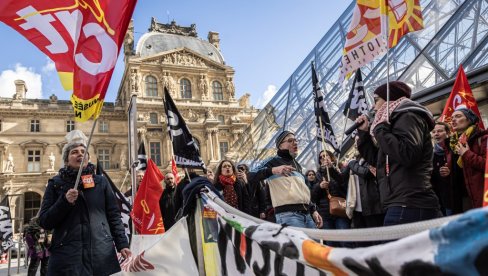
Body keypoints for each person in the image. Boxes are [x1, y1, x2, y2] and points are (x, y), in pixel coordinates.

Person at [39, 130, 131, 275]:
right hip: (67, 255)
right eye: (74, 152)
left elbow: (113, 216)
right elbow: (44, 221)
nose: (80, 154)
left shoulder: (100, 182)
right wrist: (64, 201)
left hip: (100, 253)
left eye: (83, 151)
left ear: (88, 157)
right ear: (66, 159)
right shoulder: (56, 183)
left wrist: (122, 244)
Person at [355, 81, 440, 226]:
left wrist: (380, 129)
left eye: (376, 100)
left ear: (390, 99)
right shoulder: (392, 122)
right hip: (401, 201)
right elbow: (378, 161)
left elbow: (407, 154)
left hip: (410, 202)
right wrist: (364, 135)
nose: (373, 107)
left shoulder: (408, 116)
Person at [247, 130, 322, 229]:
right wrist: (273, 170)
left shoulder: (297, 165)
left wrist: (313, 210)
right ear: (280, 145)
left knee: (314, 244)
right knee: (300, 245)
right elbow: (250, 175)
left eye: (295, 140)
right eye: (290, 141)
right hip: (288, 215)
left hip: (307, 215)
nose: (295, 143)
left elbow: (303, 191)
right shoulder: (273, 161)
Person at [450, 107, 487, 209]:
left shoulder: (483, 138)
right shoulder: (454, 143)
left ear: (469, 119)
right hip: (466, 198)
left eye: (458, 116)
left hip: (483, 196)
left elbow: (486, 165)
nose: (453, 120)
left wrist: (466, 154)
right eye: (452, 117)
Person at [311, 150, 350, 247]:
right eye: (321, 157)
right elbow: (313, 198)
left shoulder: (339, 168)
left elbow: (344, 185)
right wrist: (319, 187)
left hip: (340, 210)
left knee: (345, 240)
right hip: (325, 214)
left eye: (326, 155)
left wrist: (331, 169)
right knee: (331, 244)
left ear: (331, 157)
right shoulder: (317, 175)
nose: (323, 158)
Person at [431, 122, 454, 215]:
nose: (436, 134)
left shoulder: (455, 150)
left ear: (448, 133)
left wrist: (450, 172)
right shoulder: (431, 154)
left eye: (440, 131)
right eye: (433, 132)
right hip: (438, 201)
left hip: (453, 199)